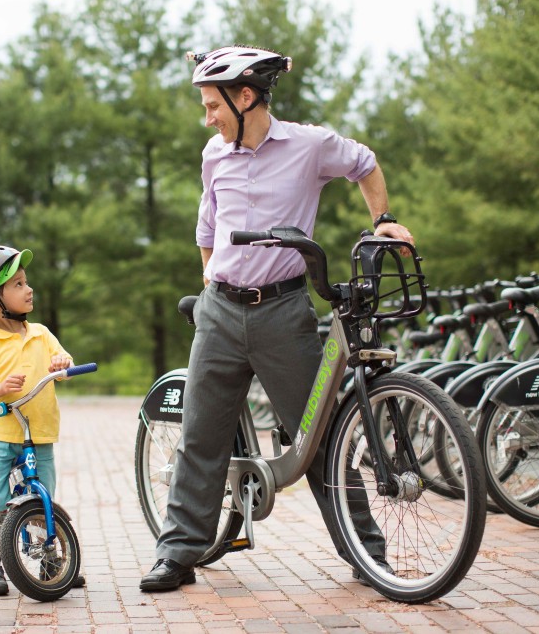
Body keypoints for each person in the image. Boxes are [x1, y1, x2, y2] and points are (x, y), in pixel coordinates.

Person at [139, 46, 415, 592]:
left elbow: (365, 163)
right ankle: (179, 553)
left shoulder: (308, 146)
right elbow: (206, 226)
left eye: (213, 104)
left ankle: (365, 551)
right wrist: (211, 283)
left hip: (284, 311)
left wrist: (382, 219)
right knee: (200, 436)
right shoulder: (213, 153)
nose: (208, 116)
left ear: (246, 97)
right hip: (221, 310)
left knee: (319, 439)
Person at [0, 245, 85, 596]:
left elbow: (64, 362)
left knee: (45, 501)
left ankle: (51, 560)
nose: (29, 290)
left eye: (27, 282)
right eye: (18, 285)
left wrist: (62, 365)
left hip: (39, 433)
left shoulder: (41, 333)